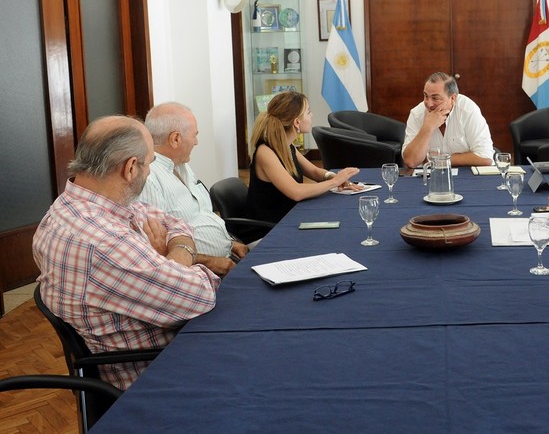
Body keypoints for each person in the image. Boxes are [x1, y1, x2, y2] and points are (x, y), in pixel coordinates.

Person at [32, 115, 220, 390]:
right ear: (131, 167)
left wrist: (174, 256)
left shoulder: (74, 205)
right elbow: (202, 294)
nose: (149, 172)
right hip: (160, 377)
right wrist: (172, 260)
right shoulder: (105, 242)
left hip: (156, 352)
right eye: (149, 164)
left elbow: (174, 222)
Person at [139, 102, 249, 277]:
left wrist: (230, 243)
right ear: (175, 139)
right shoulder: (150, 179)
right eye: (194, 135)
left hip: (228, 256)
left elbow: (203, 213)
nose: (196, 142)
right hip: (203, 273)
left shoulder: (182, 166)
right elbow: (159, 250)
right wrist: (211, 261)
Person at [246, 91, 360, 222]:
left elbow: (314, 171)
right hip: (272, 227)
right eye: (308, 112)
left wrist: (332, 176)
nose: (312, 115)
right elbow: (296, 192)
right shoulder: (265, 152)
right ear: (297, 122)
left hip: (289, 216)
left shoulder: (288, 146)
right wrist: (335, 182)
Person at [402, 72, 495, 168]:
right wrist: (427, 128)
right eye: (426, 96)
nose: (429, 104)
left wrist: (440, 160)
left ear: (453, 98)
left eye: (435, 98)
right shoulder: (417, 114)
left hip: (468, 173)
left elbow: (486, 157)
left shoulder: (467, 109)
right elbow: (410, 161)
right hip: (432, 175)